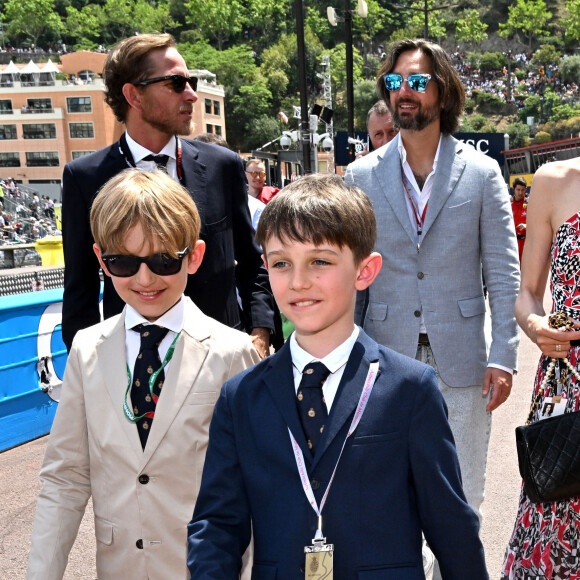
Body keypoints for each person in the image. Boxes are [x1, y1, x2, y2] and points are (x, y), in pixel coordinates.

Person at [187, 174, 488, 579]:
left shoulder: (410, 389)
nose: (298, 281)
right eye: (281, 263)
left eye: (320, 261)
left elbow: (451, 526)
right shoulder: (241, 396)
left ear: (365, 271)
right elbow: (218, 525)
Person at [27, 169, 260, 580]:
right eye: (123, 262)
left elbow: (256, 482)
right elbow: (65, 478)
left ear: (195, 256)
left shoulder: (232, 352)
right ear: (101, 260)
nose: (145, 279)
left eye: (164, 261)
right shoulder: (86, 349)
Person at [345, 38, 520, 578]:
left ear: (443, 92)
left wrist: (504, 353)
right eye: (395, 82)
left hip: (463, 359)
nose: (404, 93)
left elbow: (502, 269)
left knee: (462, 496)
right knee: (389, 496)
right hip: (384, 359)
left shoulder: (482, 172)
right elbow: (354, 280)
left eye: (417, 82)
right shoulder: (361, 176)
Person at [61, 33, 278, 358]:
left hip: (223, 362)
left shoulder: (223, 165)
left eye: (190, 82)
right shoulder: (84, 178)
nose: (191, 94)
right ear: (134, 95)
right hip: (136, 368)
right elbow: (81, 289)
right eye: (176, 83)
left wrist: (259, 335)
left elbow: (252, 265)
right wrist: (93, 370)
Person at [502, 158, 580, 578]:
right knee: (556, 529)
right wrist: (536, 325)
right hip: (569, 384)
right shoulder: (554, 180)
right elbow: (528, 294)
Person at [511, 177, 528, 264]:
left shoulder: (530, 203)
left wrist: (527, 226)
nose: (520, 193)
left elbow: (539, 224)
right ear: (514, 189)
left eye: (523, 190)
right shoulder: (508, 205)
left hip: (526, 244)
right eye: (518, 190)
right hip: (512, 243)